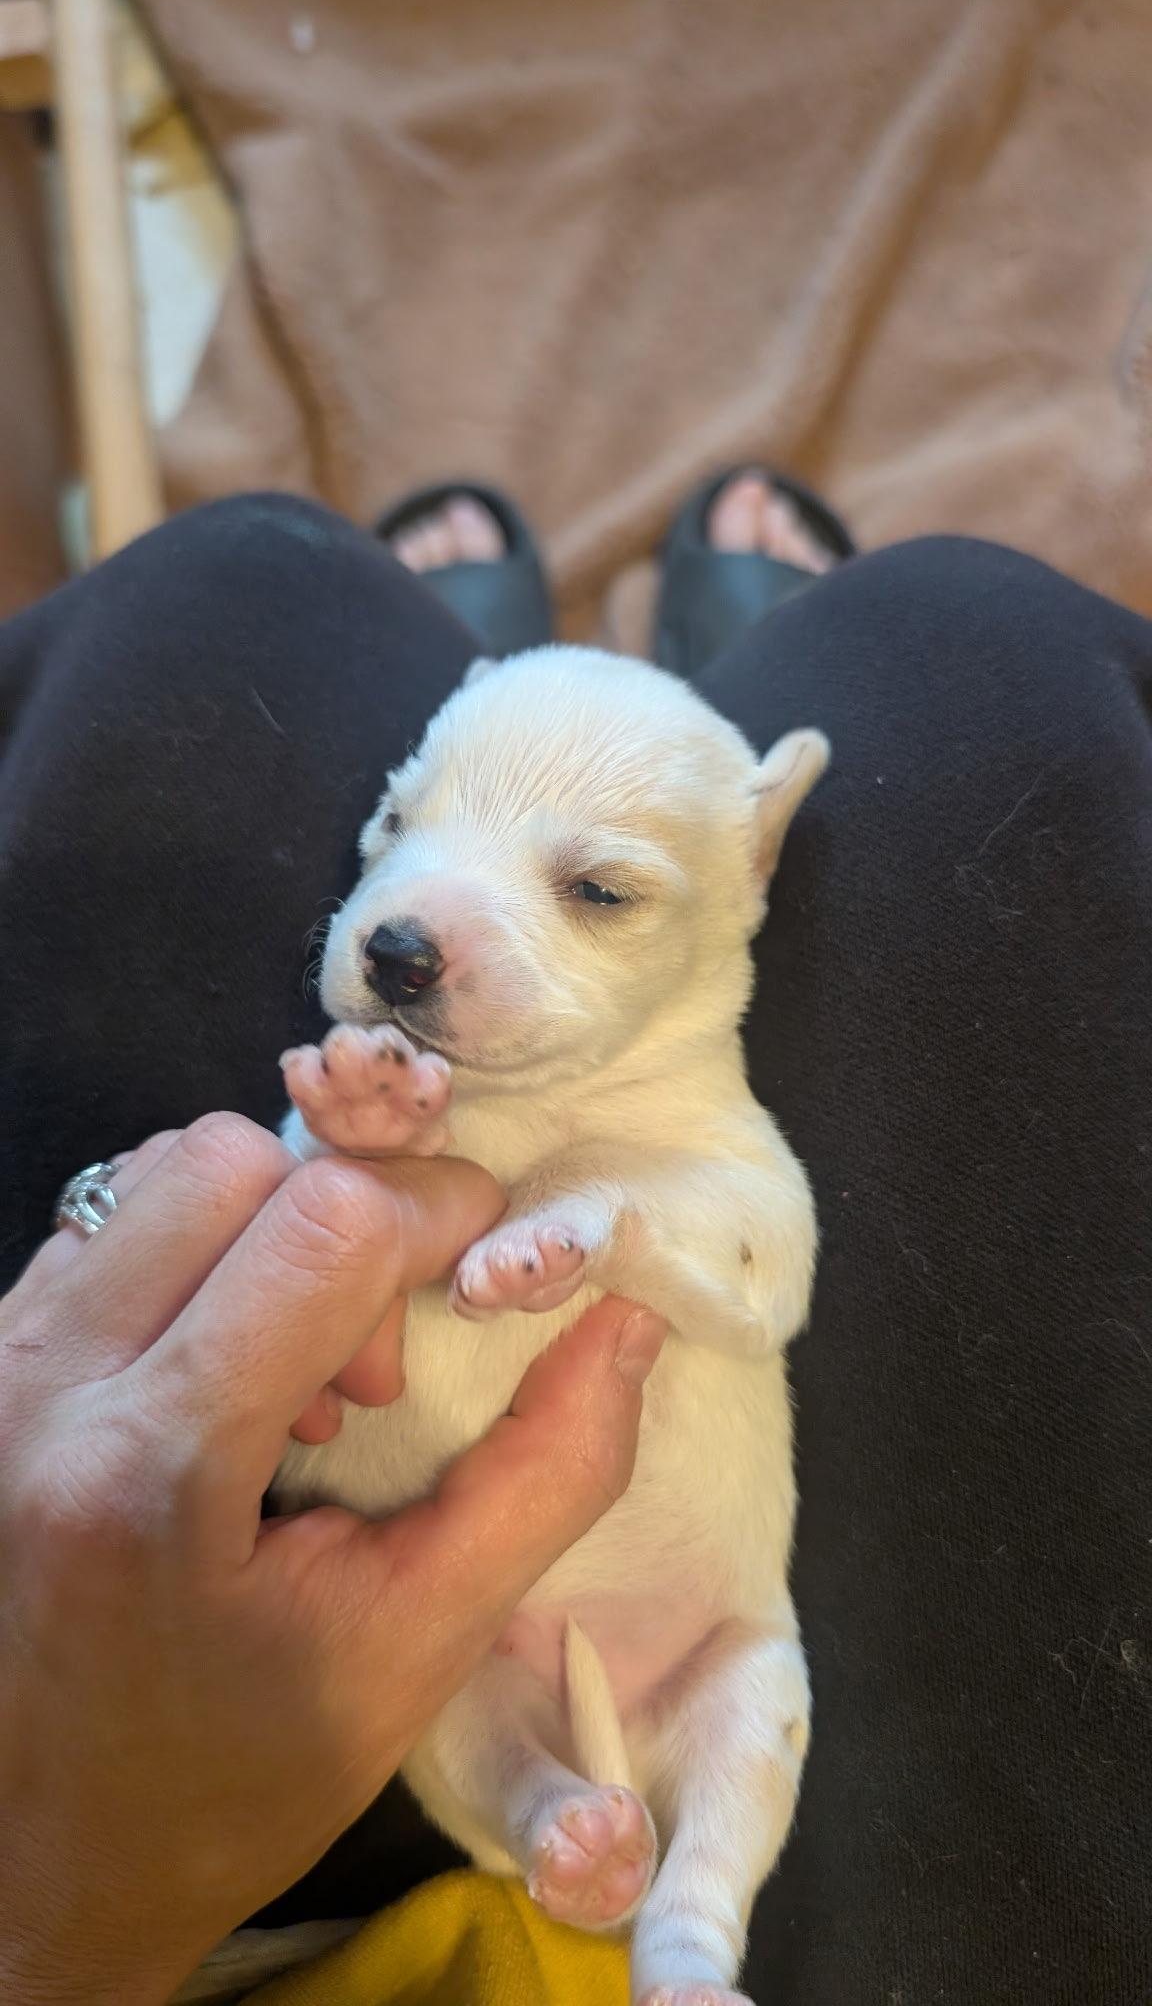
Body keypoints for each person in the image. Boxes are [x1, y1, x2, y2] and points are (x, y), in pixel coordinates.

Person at [0, 470, 1148, 2004]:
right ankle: (647, 1903)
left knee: (229, 585)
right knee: (969, 643)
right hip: (397, 1676)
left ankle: (683, 1928)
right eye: (403, 819)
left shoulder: (682, 1111)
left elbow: (756, 1262)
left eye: (595, 889)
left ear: (751, 872)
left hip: (326, 1732)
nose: (407, 921)